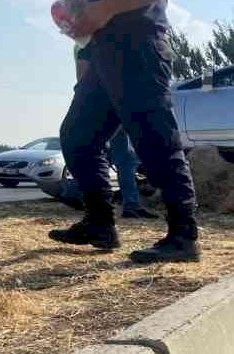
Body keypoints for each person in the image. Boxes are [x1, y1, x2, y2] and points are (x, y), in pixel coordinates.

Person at [49, 0, 199, 263]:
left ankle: (183, 236)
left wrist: (101, 9)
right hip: (102, 52)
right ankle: (100, 224)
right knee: (77, 136)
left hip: (138, 46)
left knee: (157, 141)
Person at [74, 44, 158, 219]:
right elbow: (83, 75)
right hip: (108, 103)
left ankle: (128, 204)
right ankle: (75, 192)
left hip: (115, 102)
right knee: (113, 155)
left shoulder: (92, 43)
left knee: (122, 157)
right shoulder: (92, 44)